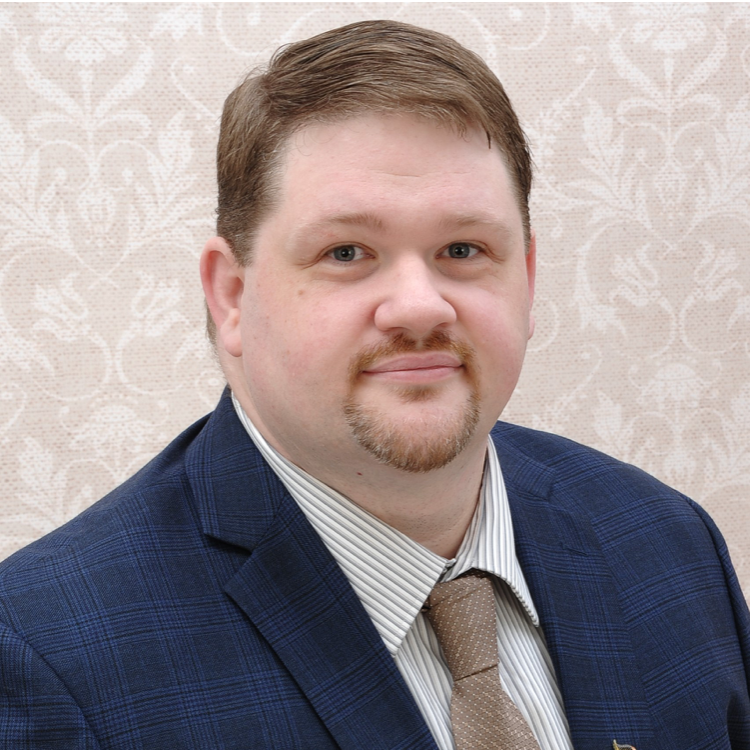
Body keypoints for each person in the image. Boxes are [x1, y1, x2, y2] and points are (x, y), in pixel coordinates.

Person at [0, 19, 748, 750]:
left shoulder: (668, 543)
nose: (420, 305)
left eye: (464, 247)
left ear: (525, 277)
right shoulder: (49, 655)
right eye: (347, 251)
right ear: (230, 294)